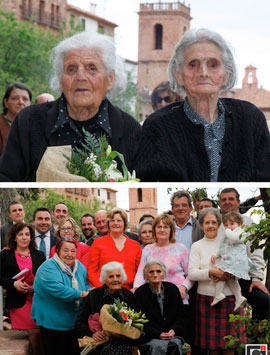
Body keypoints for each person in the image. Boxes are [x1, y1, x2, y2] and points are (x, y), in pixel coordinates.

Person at [0, 32, 141, 182]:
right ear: (60, 80)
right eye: (71, 69)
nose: (80, 77)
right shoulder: (28, 121)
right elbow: (5, 178)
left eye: (92, 68)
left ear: (110, 79)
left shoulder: (131, 130)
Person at [134, 28, 270, 182]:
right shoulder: (157, 126)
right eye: (193, 65)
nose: (203, 73)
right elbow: (146, 179)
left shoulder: (250, 118)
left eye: (213, 65)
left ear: (226, 75)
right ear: (179, 75)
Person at [188, 208, 245, 355]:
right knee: (212, 349)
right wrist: (210, 272)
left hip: (230, 300)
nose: (210, 225)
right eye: (207, 222)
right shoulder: (197, 246)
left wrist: (228, 274)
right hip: (207, 300)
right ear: (201, 225)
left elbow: (240, 268)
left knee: (230, 347)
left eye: (214, 222)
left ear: (219, 225)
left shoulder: (229, 243)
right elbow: (192, 273)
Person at [31, 237, 91, 355]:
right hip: (52, 323)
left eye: (73, 251)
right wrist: (82, 294)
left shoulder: (79, 267)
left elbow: (85, 285)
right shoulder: (48, 267)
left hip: (73, 322)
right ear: (57, 251)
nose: (69, 254)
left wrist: (92, 291)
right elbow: (60, 291)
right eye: (65, 250)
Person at [219, 188, 270, 319]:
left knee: (264, 300)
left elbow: (256, 252)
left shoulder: (248, 223)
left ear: (238, 201)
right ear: (220, 203)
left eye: (231, 199)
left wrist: (257, 279)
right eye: (223, 199)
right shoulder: (216, 223)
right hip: (222, 275)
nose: (227, 202)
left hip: (243, 275)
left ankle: (257, 335)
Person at [0, 223, 45, 354]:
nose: (24, 237)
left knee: (42, 333)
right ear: (14, 237)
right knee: (35, 332)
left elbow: (45, 278)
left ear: (31, 237)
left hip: (38, 300)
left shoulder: (39, 255)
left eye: (27, 234)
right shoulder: (5, 255)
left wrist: (34, 287)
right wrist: (13, 284)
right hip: (19, 301)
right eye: (20, 234)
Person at [76, 261, 138, 355]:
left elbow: (137, 322)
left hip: (123, 340)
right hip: (99, 340)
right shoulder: (94, 295)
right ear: (104, 279)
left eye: (118, 276)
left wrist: (125, 333)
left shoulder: (129, 296)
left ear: (123, 278)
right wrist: (92, 333)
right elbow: (80, 322)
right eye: (111, 277)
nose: (115, 279)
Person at [133, 213, 192, 305]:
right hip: (152, 298)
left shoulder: (181, 248)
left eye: (165, 227)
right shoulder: (148, 249)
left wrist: (184, 287)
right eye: (159, 227)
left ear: (171, 230)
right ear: (154, 230)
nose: (162, 230)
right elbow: (141, 273)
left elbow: (190, 274)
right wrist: (136, 289)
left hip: (177, 296)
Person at [135, 260, 186, 355]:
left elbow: (181, 316)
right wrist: (158, 334)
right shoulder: (140, 293)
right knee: (167, 346)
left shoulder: (173, 289)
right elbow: (139, 322)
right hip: (150, 336)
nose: (155, 275)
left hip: (172, 335)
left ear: (164, 274)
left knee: (173, 344)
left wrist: (173, 330)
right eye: (151, 272)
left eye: (158, 271)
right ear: (146, 275)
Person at [87, 208, 142, 289]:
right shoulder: (98, 243)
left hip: (129, 292)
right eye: (112, 220)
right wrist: (101, 289)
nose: (115, 223)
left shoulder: (135, 245)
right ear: (108, 223)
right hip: (104, 291)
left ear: (124, 223)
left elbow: (140, 272)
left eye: (119, 221)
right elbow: (91, 271)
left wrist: (136, 288)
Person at [211, 211, 254, 311]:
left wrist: (228, 232)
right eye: (226, 225)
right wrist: (216, 255)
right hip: (231, 260)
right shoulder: (227, 235)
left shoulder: (241, 233)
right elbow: (222, 247)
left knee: (221, 273)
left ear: (239, 224)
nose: (229, 226)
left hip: (237, 261)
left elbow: (235, 239)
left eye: (232, 224)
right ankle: (239, 298)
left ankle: (218, 294)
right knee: (229, 278)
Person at [0, 82, 32, 155]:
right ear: (6, 102)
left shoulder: (34, 127)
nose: (21, 102)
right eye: (15, 98)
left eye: (25, 99)